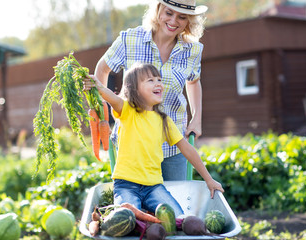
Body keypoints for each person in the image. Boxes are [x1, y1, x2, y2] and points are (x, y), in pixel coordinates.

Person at [83, 63, 224, 216]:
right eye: (150, 80)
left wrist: (209, 179)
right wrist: (98, 86)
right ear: (134, 89)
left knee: (177, 218)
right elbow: (110, 97)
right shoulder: (127, 111)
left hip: (154, 186)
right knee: (125, 217)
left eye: (159, 79)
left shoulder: (164, 121)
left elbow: (187, 150)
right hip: (126, 185)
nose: (158, 83)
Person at [90, 0, 208, 181]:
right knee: (136, 203)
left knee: (174, 202)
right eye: (169, 13)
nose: (174, 21)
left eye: (182, 17)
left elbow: (193, 82)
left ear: (189, 21)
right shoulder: (130, 39)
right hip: (133, 142)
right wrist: (103, 108)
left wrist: (196, 118)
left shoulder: (192, 50)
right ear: (159, 10)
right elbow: (103, 69)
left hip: (172, 141)